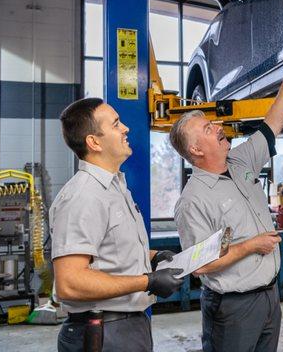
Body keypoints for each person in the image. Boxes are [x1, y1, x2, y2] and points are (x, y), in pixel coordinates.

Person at [171, 41, 283, 352]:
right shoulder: (193, 200)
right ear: (196, 150)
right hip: (232, 307)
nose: (218, 126)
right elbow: (201, 265)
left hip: (269, 297)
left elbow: (273, 122)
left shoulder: (242, 160)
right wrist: (251, 246)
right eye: (207, 128)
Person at [51, 98, 184, 352]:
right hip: (101, 332)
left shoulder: (114, 187)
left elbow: (107, 252)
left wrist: (154, 257)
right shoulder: (84, 196)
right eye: (115, 124)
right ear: (94, 142)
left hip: (125, 325)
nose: (125, 128)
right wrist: (148, 281)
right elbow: (70, 282)